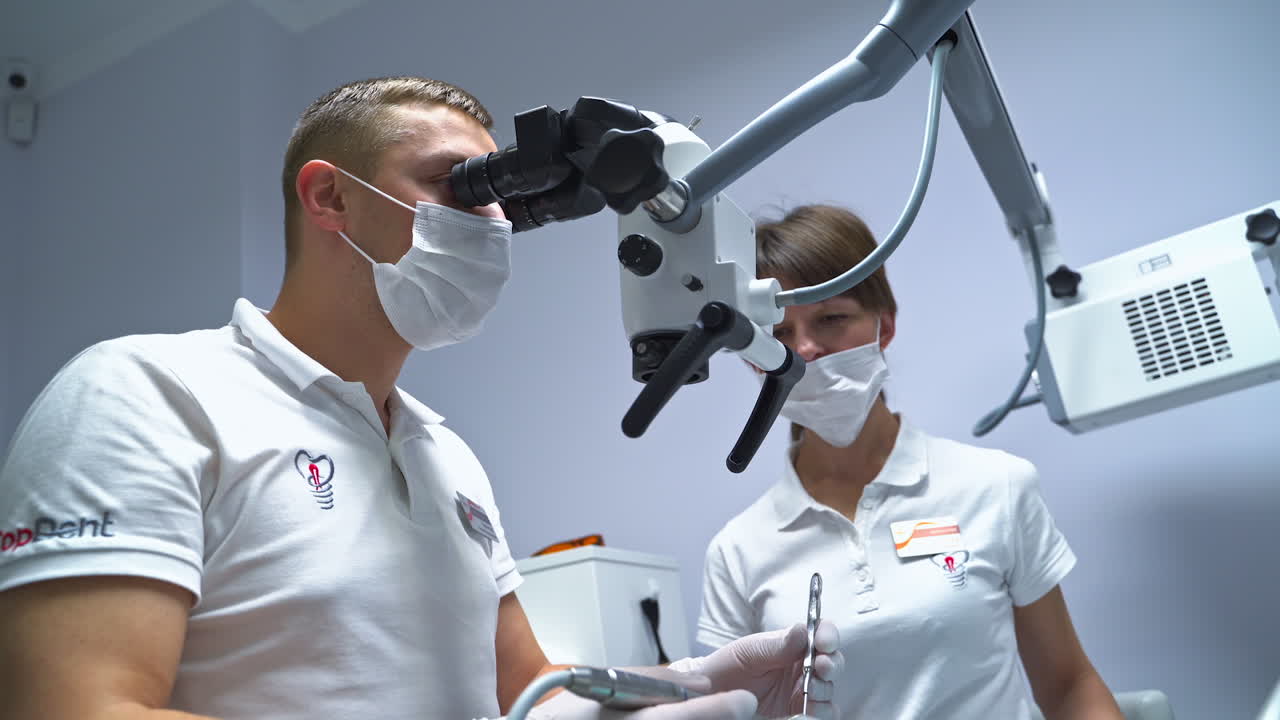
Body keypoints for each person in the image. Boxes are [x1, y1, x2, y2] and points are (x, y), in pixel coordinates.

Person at [0, 77, 843, 720]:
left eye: (500, 199)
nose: (490, 223)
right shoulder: (149, 393)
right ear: (330, 197)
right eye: (456, 185)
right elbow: (76, 708)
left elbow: (533, 698)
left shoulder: (446, 455)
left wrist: (682, 687)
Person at [696, 204, 1124, 719]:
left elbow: (1069, 684)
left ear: (885, 325)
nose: (806, 348)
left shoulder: (997, 486)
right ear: (749, 353)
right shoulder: (738, 550)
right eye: (779, 333)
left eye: (831, 318)